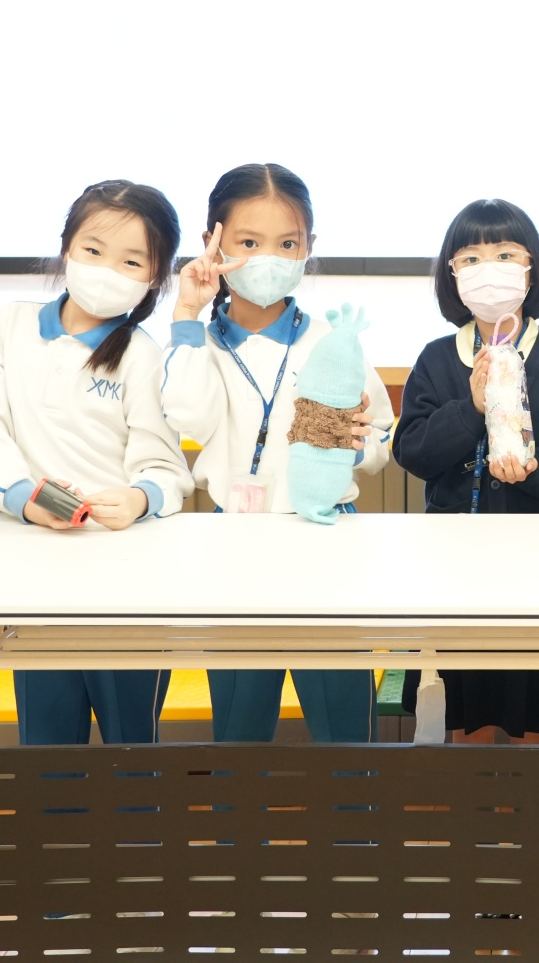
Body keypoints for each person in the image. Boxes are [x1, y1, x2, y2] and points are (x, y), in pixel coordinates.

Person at [161, 163, 394, 742]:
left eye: (287, 244)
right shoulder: (200, 343)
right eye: (248, 243)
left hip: (327, 538)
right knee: (239, 725)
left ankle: (354, 807)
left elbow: (381, 439)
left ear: (309, 247)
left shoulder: (333, 341)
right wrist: (186, 313)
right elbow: (186, 414)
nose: (269, 258)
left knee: (345, 725)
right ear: (213, 242)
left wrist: (353, 445)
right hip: (236, 543)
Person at [0, 180, 193, 746]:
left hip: (128, 582)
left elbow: (165, 469)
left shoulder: (143, 355)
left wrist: (139, 499)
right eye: (93, 250)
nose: (107, 269)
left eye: (131, 261)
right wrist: (23, 497)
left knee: (133, 751)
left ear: (154, 277)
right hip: (36, 575)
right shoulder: (10, 327)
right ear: (66, 247)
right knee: (47, 753)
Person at [392, 198, 539, 741]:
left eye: (505, 254)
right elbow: (411, 451)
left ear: (531, 268)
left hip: (537, 563)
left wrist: (535, 469)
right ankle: (468, 796)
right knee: (464, 705)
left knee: (532, 703)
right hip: (451, 563)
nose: (489, 269)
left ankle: (531, 797)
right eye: (471, 258)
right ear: (452, 274)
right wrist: (470, 408)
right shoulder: (437, 359)